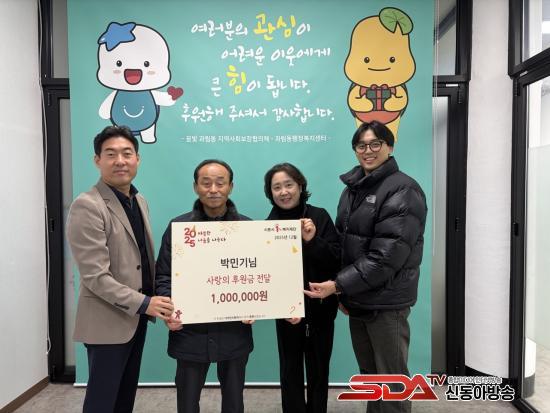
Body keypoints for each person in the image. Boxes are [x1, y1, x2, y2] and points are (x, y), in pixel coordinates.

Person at [305, 121, 427, 413]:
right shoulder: (352, 190)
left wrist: (339, 285)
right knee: (372, 377)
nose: (368, 151)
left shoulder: (403, 190)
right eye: (361, 145)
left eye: (375, 144)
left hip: (386, 303)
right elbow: (345, 246)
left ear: (390, 147)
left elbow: (386, 256)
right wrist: (344, 291)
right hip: (359, 298)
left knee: (391, 380)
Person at [66, 125, 174, 413]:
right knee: (102, 402)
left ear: (137, 158)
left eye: (127, 153)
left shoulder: (139, 200)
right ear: (97, 160)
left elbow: (142, 260)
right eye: (111, 154)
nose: (120, 161)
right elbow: (95, 277)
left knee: (124, 399)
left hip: (135, 318)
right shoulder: (87, 205)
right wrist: (146, 303)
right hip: (106, 321)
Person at [155, 159, 254, 413]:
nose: (213, 189)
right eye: (206, 183)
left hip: (234, 331)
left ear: (230, 187)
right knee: (187, 402)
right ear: (195, 187)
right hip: (189, 332)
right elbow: (163, 276)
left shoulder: (248, 229)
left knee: (234, 401)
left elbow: (258, 275)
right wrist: (169, 312)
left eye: (220, 183)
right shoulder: (179, 228)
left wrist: (255, 306)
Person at [263, 163, 340, 413]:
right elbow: (265, 273)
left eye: (289, 185)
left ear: (300, 186)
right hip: (286, 313)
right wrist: (278, 304)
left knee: (319, 370)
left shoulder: (319, 216)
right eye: (277, 187)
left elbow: (336, 259)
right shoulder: (268, 225)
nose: (283, 192)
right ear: (270, 192)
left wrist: (313, 240)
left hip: (321, 309)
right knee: (290, 370)